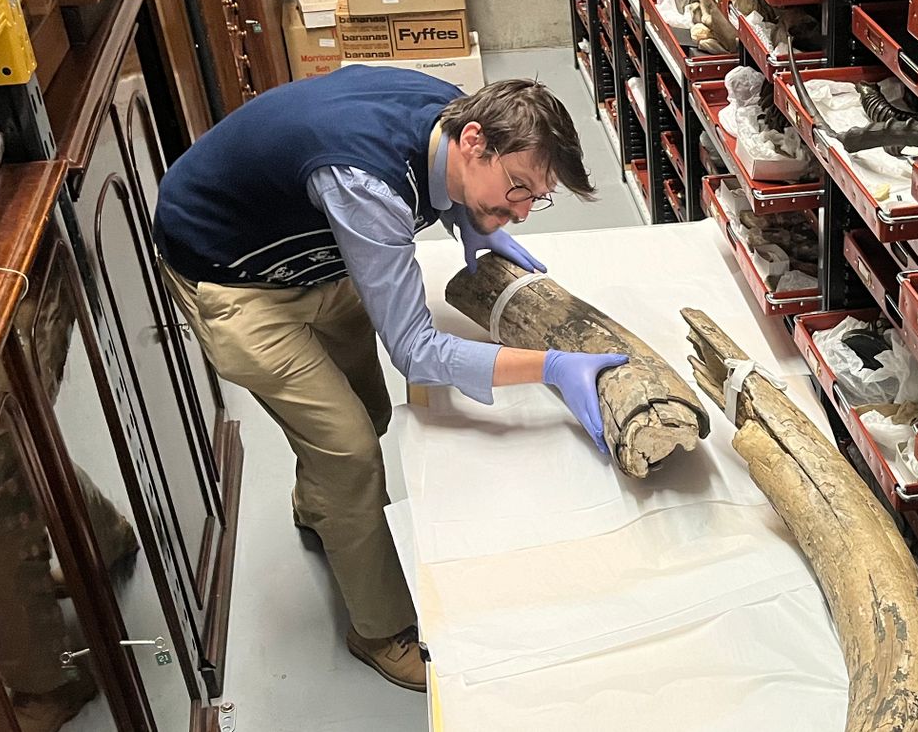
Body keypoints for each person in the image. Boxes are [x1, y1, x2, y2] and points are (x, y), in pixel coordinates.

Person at [153, 67, 627, 691]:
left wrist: (473, 221)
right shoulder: (365, 182)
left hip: (312, 253)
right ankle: (376, 631)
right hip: (236, 278)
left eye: (535, 199)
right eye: (515, 188)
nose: (519, 211)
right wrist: (550, 367)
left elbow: (440, 193)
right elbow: (416, 349)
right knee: (349, 448)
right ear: (476, 141)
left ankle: (318, 505)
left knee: (367, 410)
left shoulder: (452, 113)